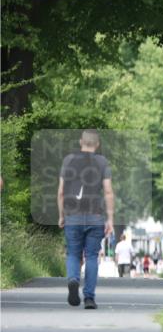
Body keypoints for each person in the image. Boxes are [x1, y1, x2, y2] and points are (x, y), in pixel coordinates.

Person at [58, 129, 114, 309]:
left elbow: (61, 192)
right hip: (95, 217)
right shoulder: (102, 162)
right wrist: (110, 219)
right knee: (91, 256)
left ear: (80, 141)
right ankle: (89, 297)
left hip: (73, 216)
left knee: (73, 254)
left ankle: (73, 279)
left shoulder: (68, 160)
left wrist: (61, 215)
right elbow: (108, 191)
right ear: (97, 145)